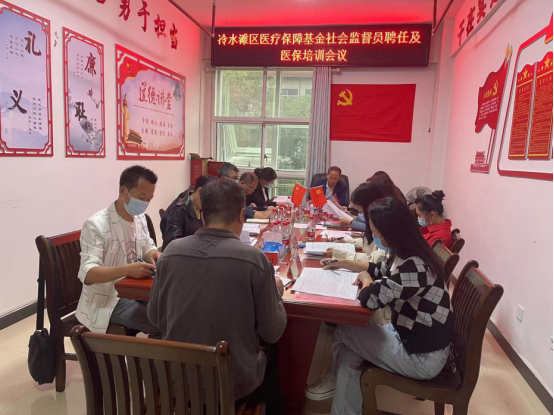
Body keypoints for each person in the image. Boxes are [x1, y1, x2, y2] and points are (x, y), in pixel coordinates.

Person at [147, 179, 287, 414]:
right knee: (273, 351)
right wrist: (276, 292)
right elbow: (272, 331)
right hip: (233, 383)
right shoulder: (255, 260)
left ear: (202, 213)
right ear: (242, 215)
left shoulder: (170, 252)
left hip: (176, 376)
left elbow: (155, 318)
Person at [306, 198, 454, 414]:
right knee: (349, 355)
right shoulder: (407, 254)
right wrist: (346, 264)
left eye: (378, 234)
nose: (376, 238)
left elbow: (371, 298)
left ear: (393, 233)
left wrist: (366, 279)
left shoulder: (415, 267)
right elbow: (379, 269)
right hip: (411, 338)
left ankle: (332, 378)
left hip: (422, 357)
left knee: (345, 329)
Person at [75, 166, 161, 336]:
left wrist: (153, 254)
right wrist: (127, 270)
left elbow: (148, 246)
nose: (145, 203)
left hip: (135, 291)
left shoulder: (139, 218)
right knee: (161, 324)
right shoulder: (97, 225)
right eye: (141, 198)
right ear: (122, 191)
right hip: (108, 299)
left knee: (171, 313)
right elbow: (88, 273)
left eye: (149, 199)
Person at [161, 175, 215, 251]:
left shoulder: (202, 208)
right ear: (199, 192)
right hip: (182, 254)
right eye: (208, 200)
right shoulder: (179, 210)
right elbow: (172, 243)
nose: (209, 204)